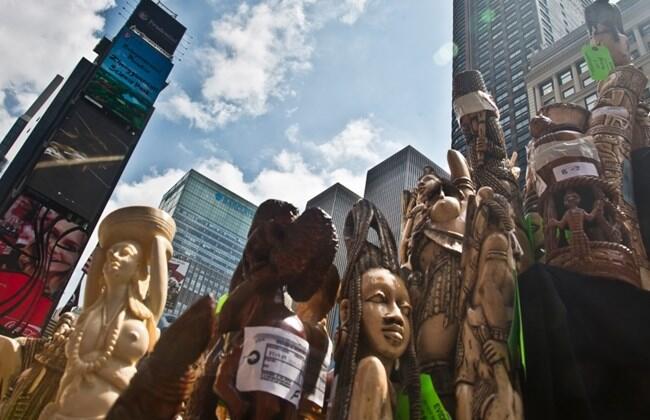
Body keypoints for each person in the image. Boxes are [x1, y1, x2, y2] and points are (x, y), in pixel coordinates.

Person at [40, 206, 174, 419]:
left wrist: (158, 243)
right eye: (113, 252)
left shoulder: (143, 315)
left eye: (125, 253)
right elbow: (101, 252)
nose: (114, 256)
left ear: (139, 268)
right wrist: (107, 237)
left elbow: (159, 289)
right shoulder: (92, 308)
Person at [330, 199, 420, 420]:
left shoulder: (392, 389)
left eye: (405, 310)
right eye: (380, 299)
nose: (398, 316)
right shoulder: (372, 371)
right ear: (346, 311)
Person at [0, 195, 86, 337]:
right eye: (53, 234)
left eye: (69, 246)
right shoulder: (5, 268)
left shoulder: (53, 307)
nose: (53, 246)